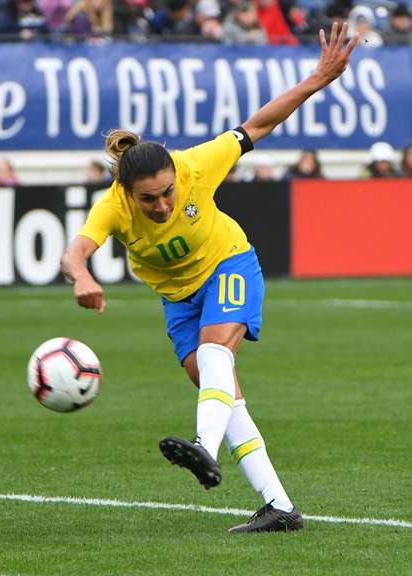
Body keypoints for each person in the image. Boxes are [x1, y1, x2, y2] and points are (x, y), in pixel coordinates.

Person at [60, 22, 358, 533]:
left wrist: (316, 80)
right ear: (127, 192)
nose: (162, 205)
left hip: (228, 263)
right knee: (222, 392)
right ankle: (279, 506)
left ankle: (203, 447)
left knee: (217, 356)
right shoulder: (112, 206)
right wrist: (82, 277)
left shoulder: (196, 164)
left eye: (167, 193)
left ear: (176, 176)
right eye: (148, 198)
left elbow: (258, 125)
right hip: (178, 300)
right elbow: (75, 251)